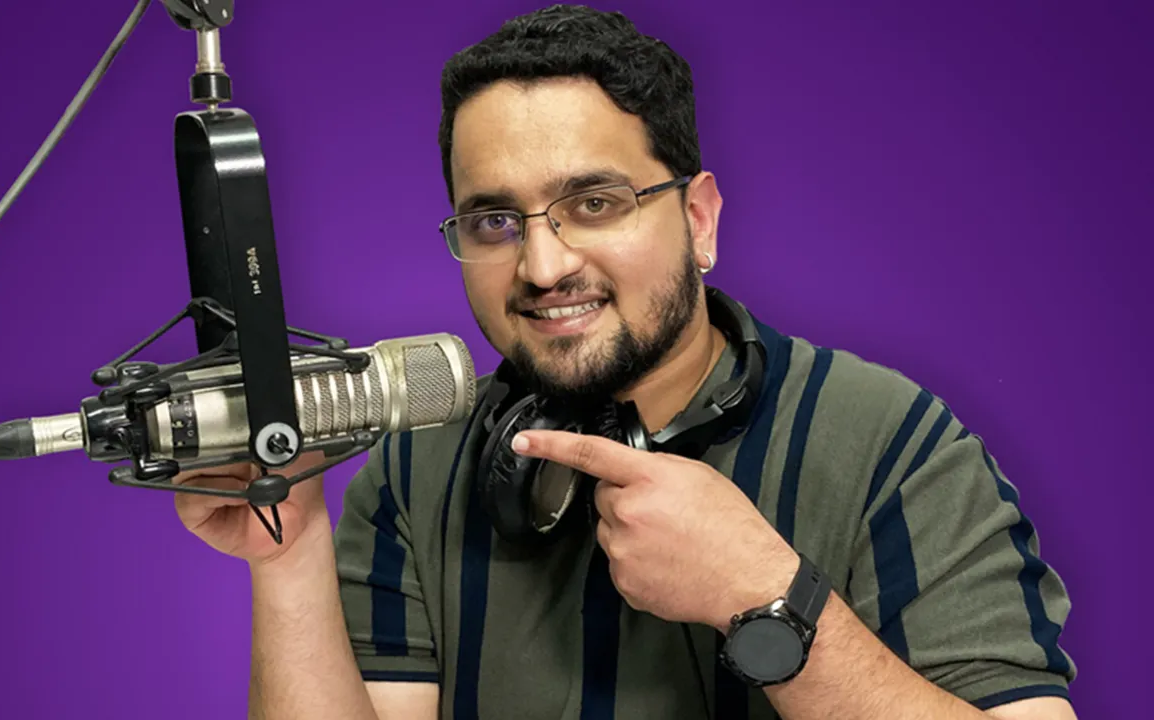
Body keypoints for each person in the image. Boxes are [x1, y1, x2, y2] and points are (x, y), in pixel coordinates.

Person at [172, 5, 1077, 719]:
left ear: (699, 220)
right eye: (495, 221)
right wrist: (288, 559)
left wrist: (768, 600)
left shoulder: (895, 446)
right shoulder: (417, 464)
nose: (543, 265)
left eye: (595, 203)